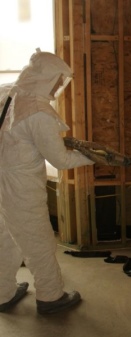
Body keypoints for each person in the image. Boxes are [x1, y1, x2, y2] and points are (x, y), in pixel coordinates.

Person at [0, 48, 94, 314]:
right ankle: (51, 297)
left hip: (1, 180)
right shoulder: (39, 112)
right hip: (22, 186)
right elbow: (61, 161)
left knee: (5, 237)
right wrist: (91, 158)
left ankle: (2, 293)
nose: (57, 89)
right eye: (56, 82)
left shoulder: (8, 93)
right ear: (45, 78)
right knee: (37, 238)